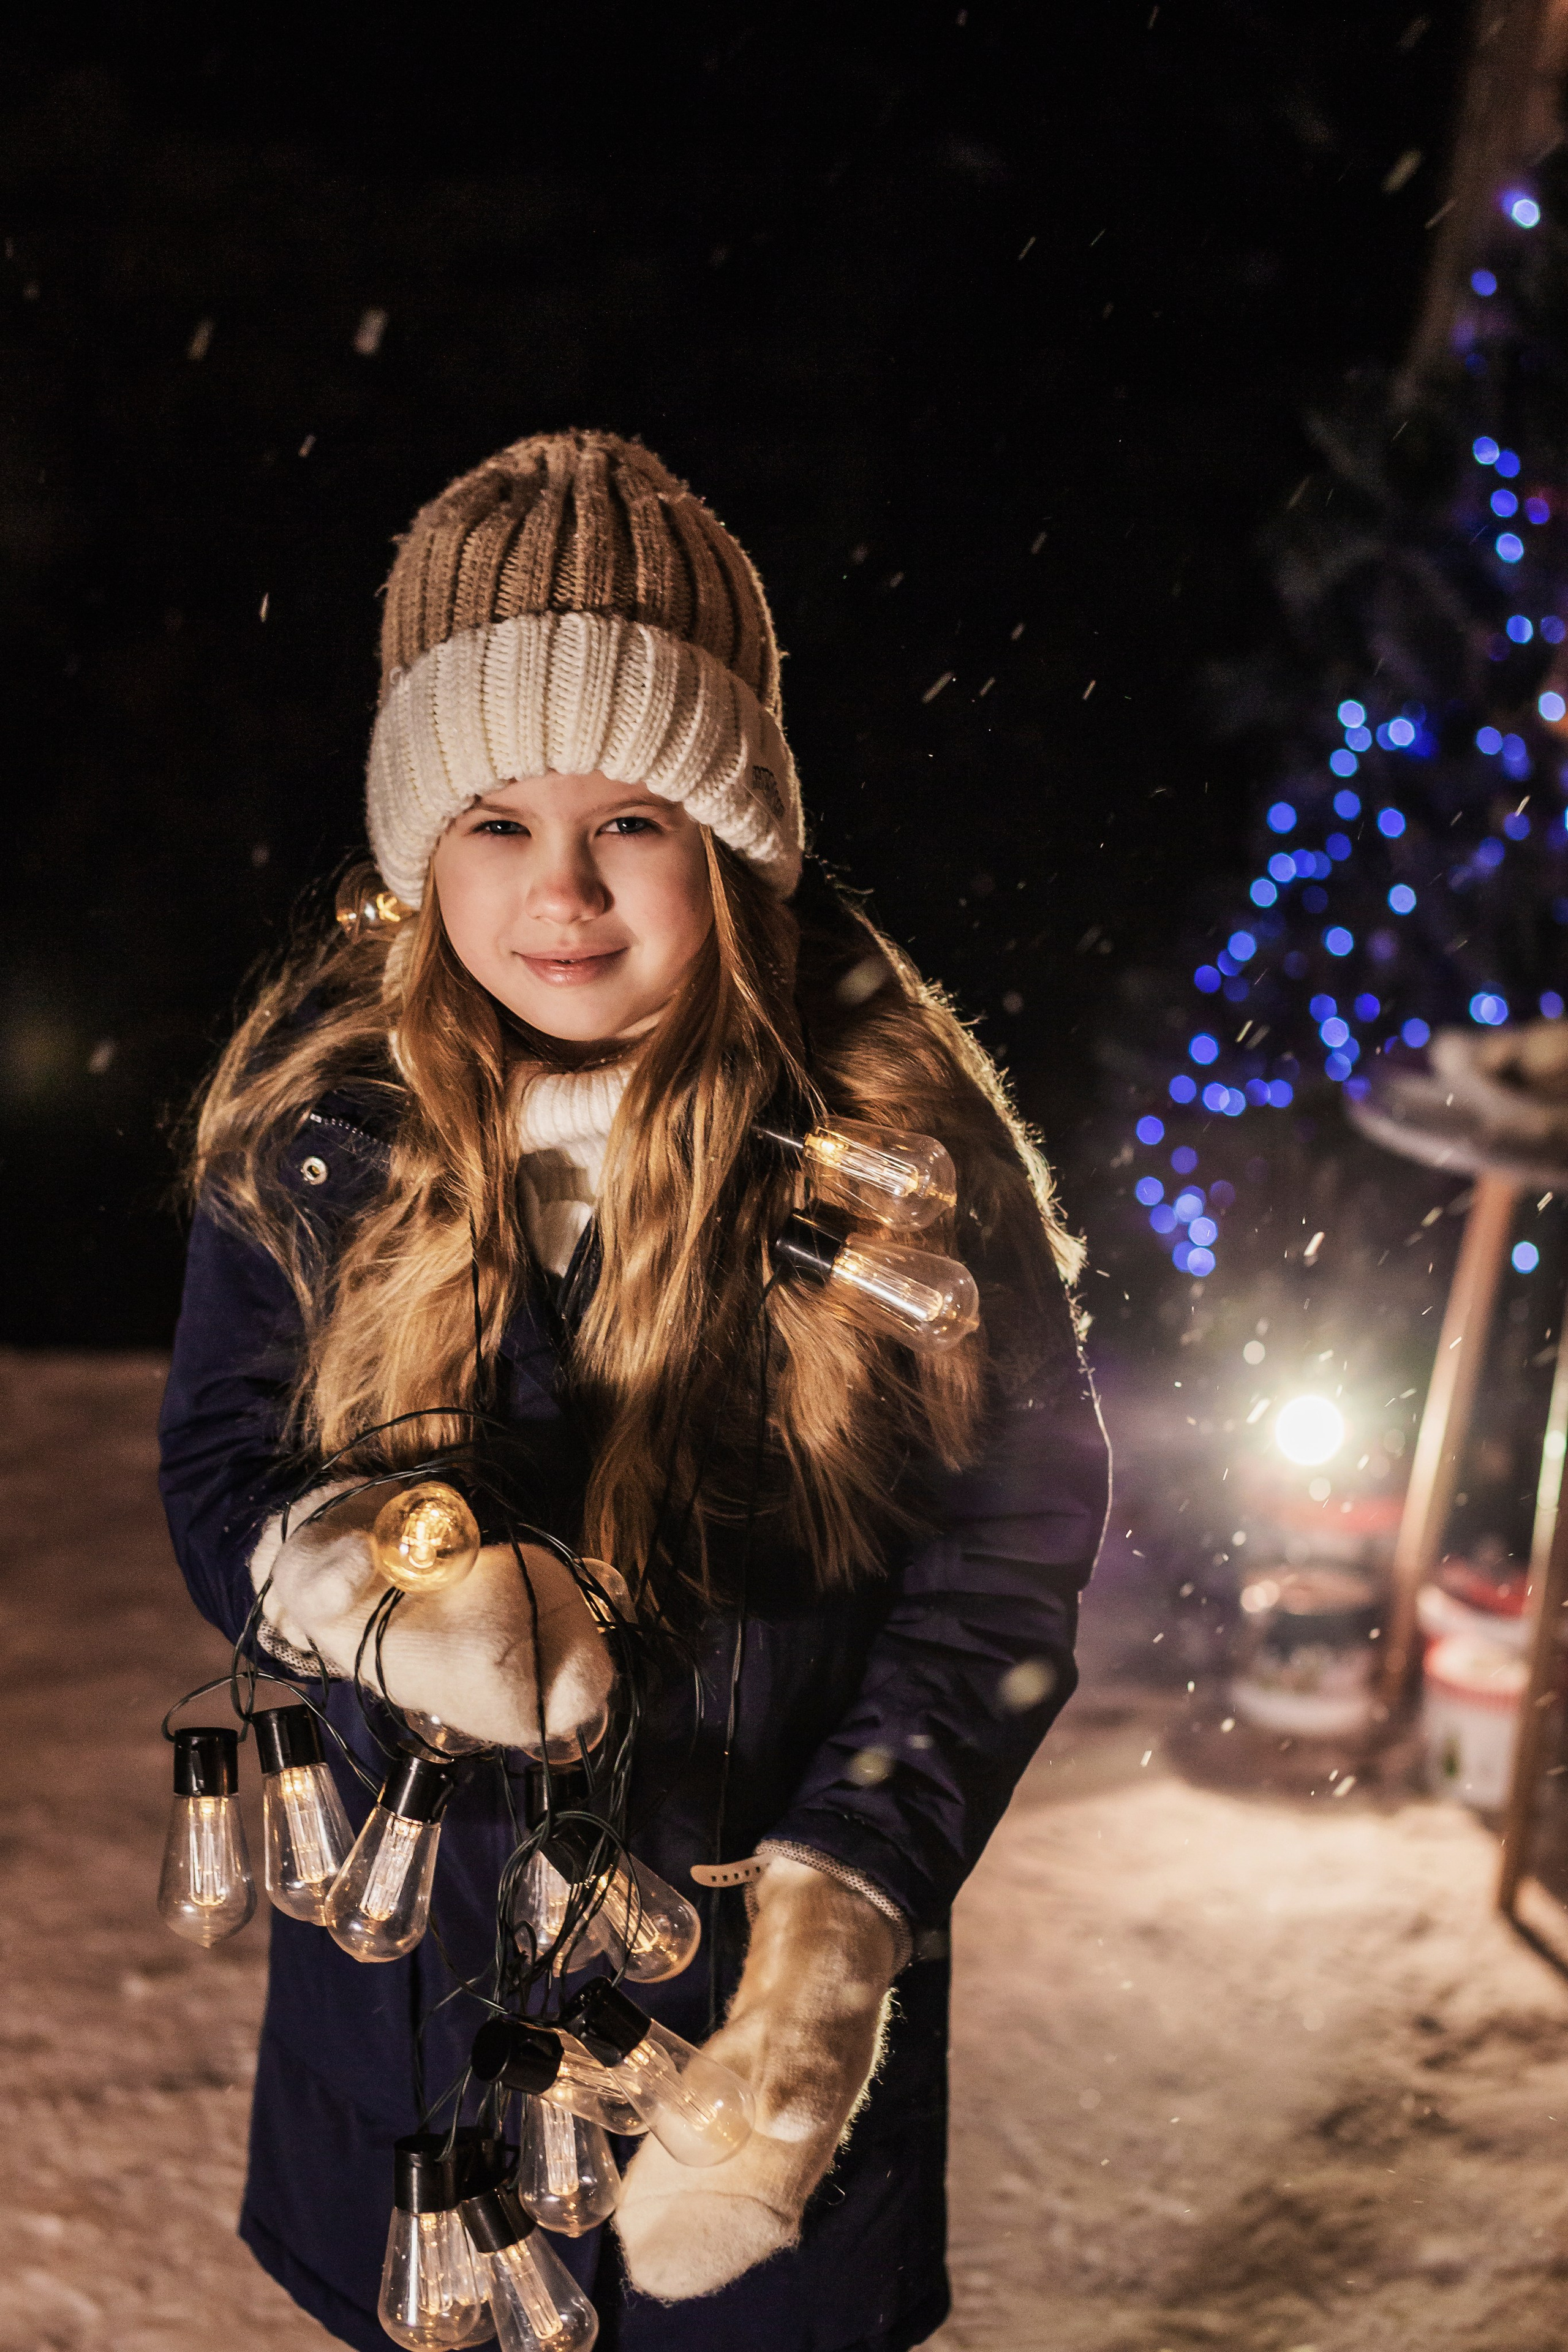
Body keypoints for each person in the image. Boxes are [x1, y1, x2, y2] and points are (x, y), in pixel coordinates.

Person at [158, 428, 1109, 2352]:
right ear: (420, 839)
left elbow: (1007, 1549)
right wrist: (383, 1594)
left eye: (634, 822)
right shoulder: (319, 1124)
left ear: (735, 836)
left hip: (729, 1985)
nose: (563, 894)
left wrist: (844, 1912)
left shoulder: (890, 1143)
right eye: (497, 820)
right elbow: (222, 1466)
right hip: (411, 2012)